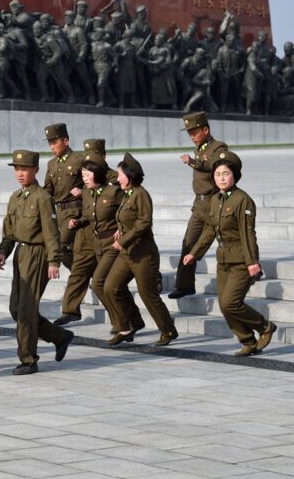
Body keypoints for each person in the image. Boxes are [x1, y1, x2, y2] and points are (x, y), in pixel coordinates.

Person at [182, 150, 275, 356]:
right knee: (225, 306)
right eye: (217, 174)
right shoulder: (215, 199)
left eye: (225, 173)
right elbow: (208, 230)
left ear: (234, 175)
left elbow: (248, 233)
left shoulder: (243, 200)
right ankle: (248, 340)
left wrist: (253, 262)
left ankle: (265, 327)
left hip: (242, 259)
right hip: (223, 259)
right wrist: (195, 253)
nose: (221, 178)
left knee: (230, 302)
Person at [0, 150, 74, 374]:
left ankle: (28, 359)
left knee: (26, 310)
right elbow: (9, 230)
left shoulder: (43, 198)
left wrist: (54, 261)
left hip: (38, 255)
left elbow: (52, 233)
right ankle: (59, 337)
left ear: (35, 170)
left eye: (25, 169)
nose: (20, 174)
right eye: (17, 169)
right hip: (20, 254)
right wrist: (3, 251)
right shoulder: (16, 197)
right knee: (16, 309)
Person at [55, 153, 143, 331]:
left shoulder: (114, 192)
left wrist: (122, 228)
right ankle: (133, 321)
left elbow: (130, 211)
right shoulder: (87, 193)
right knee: (115, 287)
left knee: (100, 283)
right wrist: (78, 222)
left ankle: (121, 323)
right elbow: (89, 216)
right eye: (83, 176)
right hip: (97, 244)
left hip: (113, 243)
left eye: (87, 175)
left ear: (97, 173)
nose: (84, 179)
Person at [104, 153, 177, 346]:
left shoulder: (141, 194)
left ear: (130, 175)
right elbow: (127, 219)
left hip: (144, 255)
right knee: (110, 287)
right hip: (127, 254)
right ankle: (125, 328)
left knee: (148, 295)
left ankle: (168, 330)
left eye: (120, 174)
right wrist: (120, 232)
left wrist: (124, 240)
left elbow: (144, 222)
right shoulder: (127, 194)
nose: (117, 178)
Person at [172, 112, 228, 300]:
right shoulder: (200, 147)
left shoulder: (218, 147)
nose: (191, 136)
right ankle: (184, 285)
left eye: (194, 132)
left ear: (206, 130)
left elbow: (215, 167)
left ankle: (252, 268)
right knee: (189, 242)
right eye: (189, 133)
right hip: (199, 204)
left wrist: (192, 162)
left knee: (228, 239)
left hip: (214, 202)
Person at [42, 124, 83, 273]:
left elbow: (96, 182)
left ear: (65, 141)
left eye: (54, 142)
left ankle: (82, 273)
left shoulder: (79, 159)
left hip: (75, 211)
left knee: (60, 245)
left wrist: (82, 190)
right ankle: (83, 272)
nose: (51, 147)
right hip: (58, 213)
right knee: (60, 247)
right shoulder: (51, 164)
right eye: (49, 143)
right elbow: (47, 191)